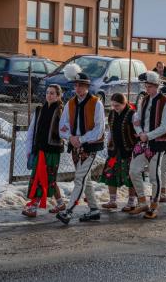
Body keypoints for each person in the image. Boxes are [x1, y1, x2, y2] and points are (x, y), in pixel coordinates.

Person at [57, 72, 105, 224]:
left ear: (87, 87)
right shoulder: (70, 103)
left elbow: (99, 129)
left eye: (81, 85)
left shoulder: (96, 103)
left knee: (79, 178)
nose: (77, 88)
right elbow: (62, 125)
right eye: (76, 85)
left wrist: (82, 139)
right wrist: (70, 137)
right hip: (75, 145)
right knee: (86, 178)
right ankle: (94, 209)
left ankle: (69, 210)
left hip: (90, 146)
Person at [128, 71, 166, 219]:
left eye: (149, 86)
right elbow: (137, 119)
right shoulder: (144, 100)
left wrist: (148, 135)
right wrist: (140, 132)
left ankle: (153, 206)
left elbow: (165, 126)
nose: (147, 89)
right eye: (146, 86)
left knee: (154, 176)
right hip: (143, 141)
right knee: (133, 171)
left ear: (157, 86)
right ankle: (142, 202)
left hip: (158, 143)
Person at [23, 84, 65, 218]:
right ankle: (59, 203)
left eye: (52, 93)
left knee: (46, 178)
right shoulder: (40, 109)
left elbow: (66, 130)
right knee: (41, 177)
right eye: (47, 93)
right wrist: (29, 148)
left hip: (52, 151)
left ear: (59, 96)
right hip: (40, 149)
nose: (49, 95)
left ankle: (34, 207)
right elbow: (32, 130)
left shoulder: (62, 111)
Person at [99, 93, 138, 212]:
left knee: (130, 176)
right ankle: (112, 201)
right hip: (114, 150)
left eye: (117, 105)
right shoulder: (112, 114)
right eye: (113, 105)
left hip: (128, 150)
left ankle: (131, 202)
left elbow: (138, 131)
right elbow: (110, 130)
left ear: (124, 103)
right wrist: (109, 143)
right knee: (111, 175)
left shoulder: (132, 114)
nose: (115, 107)